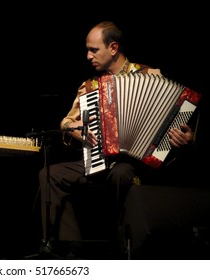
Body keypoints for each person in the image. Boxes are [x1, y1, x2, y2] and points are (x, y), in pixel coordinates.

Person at [39, 21, 200, 258]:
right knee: (49, 174)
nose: (88, 56)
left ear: (113, 48)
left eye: (94, 50)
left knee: (122, 173)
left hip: (138, 164)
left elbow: (178, 116)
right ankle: (70, 248)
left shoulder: (150, 76)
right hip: (98, 160)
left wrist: (187, 137)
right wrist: (74, 128)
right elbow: (65, 122)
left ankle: (121, 247)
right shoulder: (89, 87)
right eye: (88, 49)